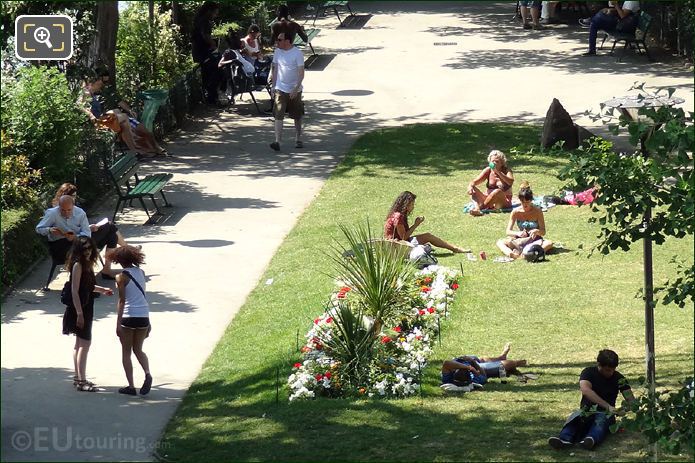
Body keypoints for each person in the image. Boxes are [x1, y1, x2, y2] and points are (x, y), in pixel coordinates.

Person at [548, 349, 634, 450]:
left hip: (606, 414)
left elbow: (631, 400)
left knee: (601, 421)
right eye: (607, 370)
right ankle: (563, 440)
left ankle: (590, 440)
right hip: (586, 411)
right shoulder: (588, 373)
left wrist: (624, 409)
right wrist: (608, 406)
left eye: (613, 369)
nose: (610, 373)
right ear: (599, 365)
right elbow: (586, 390)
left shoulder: (620, 379)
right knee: (575, 419)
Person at [62, 236, 114, 392]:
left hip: (86, 306)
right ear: (79, 249)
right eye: (85, 249)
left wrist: (102, 290)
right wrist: (79, 313)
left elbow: (88, 286)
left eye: (90, 248)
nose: (88, 251)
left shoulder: (88, 264)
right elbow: (75, 291)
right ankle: (82, 381)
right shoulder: (78, 265)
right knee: (85, 344)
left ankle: (78, 378)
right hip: (80, 308)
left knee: (79, 344)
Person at [79, 69, 166, 157]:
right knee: (124, 118)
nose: (101, 85)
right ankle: (137, 148)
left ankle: (139, 150)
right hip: (97, 122)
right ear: (93, 83)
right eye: (99, 83)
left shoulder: (98, 91)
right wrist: (90, 115)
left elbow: (117, 101)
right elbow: (79, 104)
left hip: (104, 118)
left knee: (123, 120)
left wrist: (129, 110)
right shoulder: (86, 92)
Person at [51, 183, 130, 278]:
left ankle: (108, 269)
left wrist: (88, 227)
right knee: (110, 226)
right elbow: (66, 232)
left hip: (79, 239)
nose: (74, 199)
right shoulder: (57, 211)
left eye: (75, 196)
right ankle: (128, 251)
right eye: (72, 196)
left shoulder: (71, 208)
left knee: (111, 235)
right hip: (70, 246)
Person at [110, 246, 153, 396]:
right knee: (138, 349)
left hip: (128, 317)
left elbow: (122, 301)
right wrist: (149, 322)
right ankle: (147, 373)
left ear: (119, 260)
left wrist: (118, 324)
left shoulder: (121, 277)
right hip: (143, 316)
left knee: (126, 352)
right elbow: (142, 295)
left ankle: (131, 386)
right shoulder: (141, 272)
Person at [384, 191, 468, 253]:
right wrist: (416, 225)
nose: (413, 207)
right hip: (397, 246)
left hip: (397, 243)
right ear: (406, 205)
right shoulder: (398, 216)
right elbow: (403, 237)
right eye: (412, 204)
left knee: (427, 237)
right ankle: (455, 249)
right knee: (428, 236)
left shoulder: (397, 214)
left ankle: (454, 248)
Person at [497, 182, 554, 259]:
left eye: (527, 202)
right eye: (523, 202)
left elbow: (543, 231)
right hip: (520, 240)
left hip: (534, 240)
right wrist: (518, 233)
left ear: (531, 200)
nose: (525, 204)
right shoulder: (515, 212)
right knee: (500, 242)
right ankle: (512, 254)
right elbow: (508, 231)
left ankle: (530, 253)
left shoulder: (538, 211)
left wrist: (536, 231)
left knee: (549, 243)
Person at [269, 30, 305, 151]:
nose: (277, 42)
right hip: (280, 88)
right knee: (278, 114)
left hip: (295, 89)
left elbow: (301, 73)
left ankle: (298, 138)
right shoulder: (277, 52)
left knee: (297, 115)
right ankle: (277, 141)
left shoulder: (297, 53)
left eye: (279, 40)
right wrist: (273, 86)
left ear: (287, 41)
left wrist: (296, 88)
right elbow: (275, 69)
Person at [441, 343, 529, 387]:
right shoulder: (474, 380)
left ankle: (501, 357)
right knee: (507, 364)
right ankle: (515, 363)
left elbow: (446, 363)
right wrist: (473, 365)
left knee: (482, 359)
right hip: (475, 365)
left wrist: (467, 367)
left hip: (466, 361)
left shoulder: (447, 379)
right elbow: (483, 374)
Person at [467, 150, 515, 216]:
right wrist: (470, 186)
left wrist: (498, 172)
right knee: (473, 188)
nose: (494, 163)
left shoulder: (506, 170)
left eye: (497, 161)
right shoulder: (488, 170)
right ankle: (477, 209)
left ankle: (481, 208)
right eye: (493, 161)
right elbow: (474, 182)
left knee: (497, 191)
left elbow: (510, 182)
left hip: (503, 201)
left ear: (502, 163)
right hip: (487, 198)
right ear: (490, 162)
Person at [192, 1, 222, 105]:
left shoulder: (199, 20)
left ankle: (210, 97)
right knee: (217, 70)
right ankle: (212, 97)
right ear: (209, 11)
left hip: (199, 52)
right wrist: (213, 44)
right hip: (203, 53)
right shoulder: (204, 21)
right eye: (215, 13)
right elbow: (205, 36)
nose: (215, 15)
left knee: (208, 74)